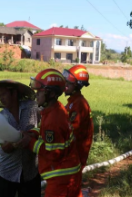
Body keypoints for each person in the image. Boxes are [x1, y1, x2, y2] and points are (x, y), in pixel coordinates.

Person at [17, 69, 82, 197]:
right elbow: (44, 131)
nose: (36, 95)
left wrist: (30, 143)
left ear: (51, 94)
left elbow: (53, 153)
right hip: (68, 175)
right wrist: (33, 133)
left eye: (40, 91)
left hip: (61, 178)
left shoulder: (53, 120)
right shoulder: (54, 109)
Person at [0, 80, 41, 197]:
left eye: (4, 94)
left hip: (30, 171)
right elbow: (5, 148)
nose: (1, 98)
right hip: (7, 173)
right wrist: (14, 144)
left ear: (14, 93)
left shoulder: (32, 108)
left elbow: (45, 126)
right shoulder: (0, 118)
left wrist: (31, 135)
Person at [62, 65, 94, 170]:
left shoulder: (79, 104)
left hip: (76, 152)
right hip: (73, 151)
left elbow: (72, 130)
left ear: (77, 85)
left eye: (68, 83)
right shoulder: (73, 101)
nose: (65, 85)